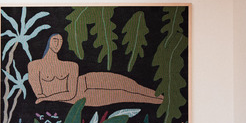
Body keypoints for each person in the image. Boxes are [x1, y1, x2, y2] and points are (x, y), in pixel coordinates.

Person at [27, 33, 164, 107]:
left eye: (60, 41)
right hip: (83, 97)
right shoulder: (34, 66)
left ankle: (161, 96)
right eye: (55, 40)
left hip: (87, 80)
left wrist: (49, 98)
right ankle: (161, 101)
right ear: (48, 41)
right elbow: (41, 95)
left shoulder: (70, 65)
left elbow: (69, 92)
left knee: (127, 84)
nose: (58, 43)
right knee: (125, 96)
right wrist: (47, 98)